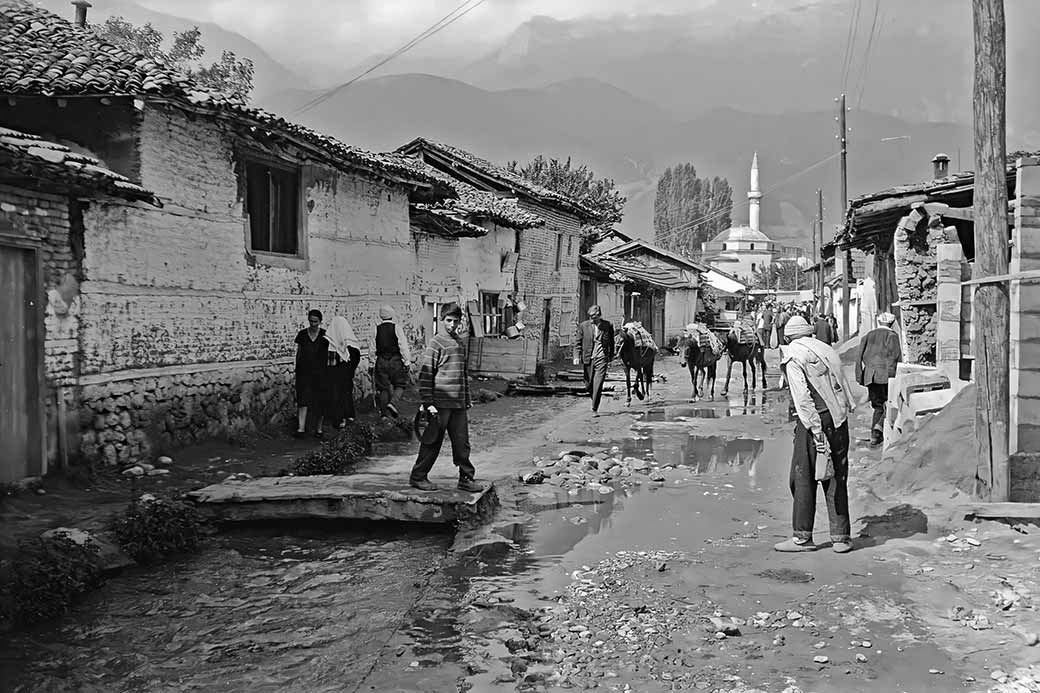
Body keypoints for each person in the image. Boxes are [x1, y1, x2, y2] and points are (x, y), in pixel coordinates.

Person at [775, 315, 856, 554]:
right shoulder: (826, 349)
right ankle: (841, 537)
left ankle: (802, 537)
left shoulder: (792, 355)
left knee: (802, 478)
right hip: (839, 420)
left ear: (788, 336)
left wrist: (815, 430)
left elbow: (802, 398)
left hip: (814, 422)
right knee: (836, 478)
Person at [409, 303, 482, 493]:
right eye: (449, 320)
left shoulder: (459, 343)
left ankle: (466, 478)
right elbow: (425, 375)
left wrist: (467, 399)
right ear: (442, 320)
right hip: (439, 404)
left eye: (456, 321)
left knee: (462, 442)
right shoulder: (436, 343)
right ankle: (418, 477)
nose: (452, 324)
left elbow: (461, 375)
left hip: (458, 404)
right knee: (432, 440)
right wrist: (428, 403)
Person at [856, 312, 902, 447]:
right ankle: (879, 430)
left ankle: (875, 434)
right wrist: (894, 377)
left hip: (870, 375)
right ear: (892, 323)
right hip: (886, 376)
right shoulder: (892, 336)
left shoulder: (868, 335)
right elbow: (894, 357)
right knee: (888, 402)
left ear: (879, 322)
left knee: (877, 406)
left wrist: (860, 376)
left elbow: (859, 357)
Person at [573, 305, 616, 415]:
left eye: (594, 317)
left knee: (598, 382)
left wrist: (611, 356)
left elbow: (611, 342)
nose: (592, 319)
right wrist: (576, 356)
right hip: (588, 358)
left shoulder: (607, 325)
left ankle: (594, 408)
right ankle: (594, 397)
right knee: (588, 384)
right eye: (591, 316)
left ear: (599, 315)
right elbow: (577, 343)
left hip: (602, 357)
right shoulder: (583, 326)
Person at [294, 309, 329, 438]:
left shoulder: (325, 336)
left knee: (320, 400)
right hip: (304, 372)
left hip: (321, 373)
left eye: (315, 321)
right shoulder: (302, 335)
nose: (313, 324)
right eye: (311, 321)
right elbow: (299, 352)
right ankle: (301, 428)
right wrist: (297, 369)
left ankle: (319, 429)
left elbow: (329, 354)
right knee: (303, 399)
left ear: (320, 321)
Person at [323, 316, 363, 429]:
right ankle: (348, 416)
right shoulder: (352, 343)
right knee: (345, 394)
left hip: (333, 375)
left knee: (336, 396)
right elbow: (356, 359)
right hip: (346, 375)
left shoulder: (328, 342)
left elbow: (325, 361)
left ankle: (339, 419)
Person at [373, 305, 412, 419]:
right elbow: (403, 346)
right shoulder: (397, 328)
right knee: (400, 384)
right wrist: (407, 362)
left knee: (383, 387)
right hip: (395, 360)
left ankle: (384, 415)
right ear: (392, 314)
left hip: (381, 360)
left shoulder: (376, 329)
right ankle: (393, 403)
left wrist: (371, 363)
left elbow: (372, 347)